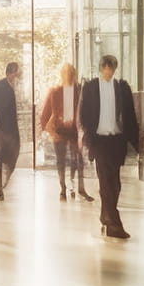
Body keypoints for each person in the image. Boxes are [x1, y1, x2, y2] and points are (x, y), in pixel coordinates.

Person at [79, 55, 139, 239]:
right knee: (106, 184)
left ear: (115, 69)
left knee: (115, 185)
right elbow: (83, 114)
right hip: (99, 142)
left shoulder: (122, 88)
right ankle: (114, 224)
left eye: (111, 67)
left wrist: (135, 141)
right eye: (105, 67)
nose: (108, 71)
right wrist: (89, 135)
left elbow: (130, 115)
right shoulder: (90, 87)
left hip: (116, 141)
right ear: (101, 68)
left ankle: (105, 216)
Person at [40, 63, 92, 201]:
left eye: (70, 73)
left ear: (74, 75)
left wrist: (85, 131)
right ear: (62, 75)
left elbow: (86, 112)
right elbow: (44, 115)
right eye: (65, 73)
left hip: (75, 132)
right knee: (61, 161)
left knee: (79, 161)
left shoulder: (79, 91)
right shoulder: (55, 92)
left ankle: (80, 189)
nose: (68, 75)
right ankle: (63, 188)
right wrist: (51, 132)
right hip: (60, 131)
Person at [0, 62, 22, 200]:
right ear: (11, 73)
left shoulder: (11, 86)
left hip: (11, 128)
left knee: (11, 158)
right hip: (3, 128)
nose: (18, 76)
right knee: (3, 158)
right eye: (17, 73)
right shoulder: (1, 86)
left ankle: (1, 186)